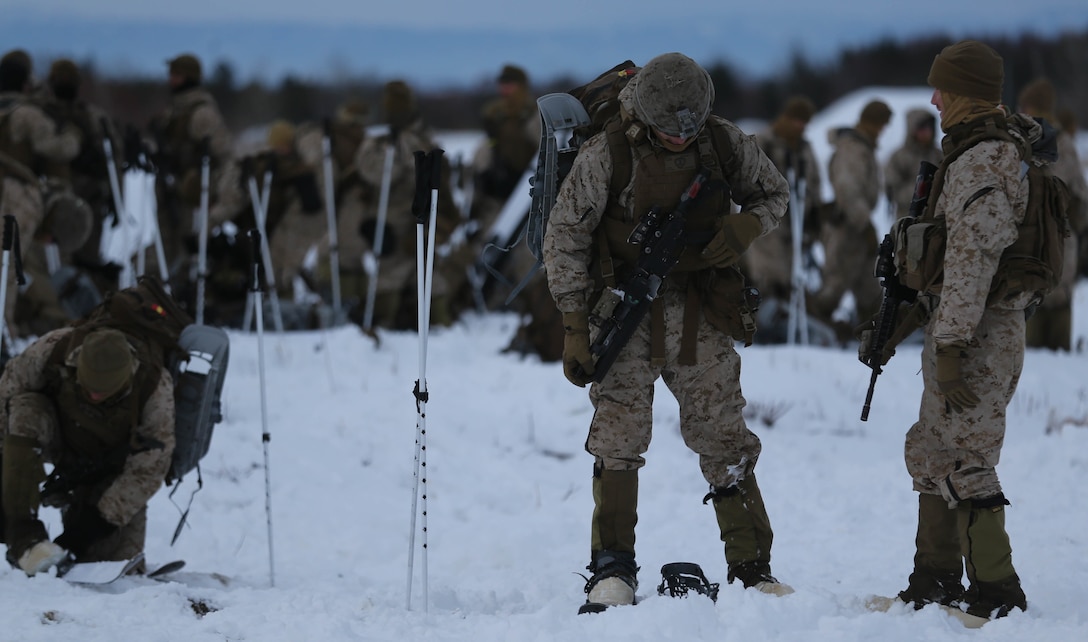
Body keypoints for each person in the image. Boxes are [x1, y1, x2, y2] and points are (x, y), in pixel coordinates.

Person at [542, 52, 791, 608]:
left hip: (702, 311)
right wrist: (575, 325)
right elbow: (564, 239)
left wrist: (747, 224)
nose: (680, 138)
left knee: (724, 435)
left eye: (690, 128)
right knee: (618, 440)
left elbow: (774, 193)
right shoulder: (608, 152)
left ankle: (752, 567)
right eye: (667, 130)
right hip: (623, 313)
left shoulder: (724, 142)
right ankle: (612, 570)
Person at [892, 39, 1036, 621]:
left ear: (967, 95)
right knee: (932, 449)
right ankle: (934, 581)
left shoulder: (983, 161)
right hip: (959, 323)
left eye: (943, 90)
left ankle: (998, 594)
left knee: (968, 456)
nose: (933, 99)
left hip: (978, 332)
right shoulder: (979, 150)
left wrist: (949, 344)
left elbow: (972, 260)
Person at [0, 324, 175, 576]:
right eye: (88, 386)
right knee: (25, 407)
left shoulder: (155, 387)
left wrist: (87, 530)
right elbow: (6, 392)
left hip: (112, 469)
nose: (93, 395)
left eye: (102, 391)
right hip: (58, 434)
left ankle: (74, 537)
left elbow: (148, 470)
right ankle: (25, 538)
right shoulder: (55, 349)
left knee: (109, 567)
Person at [353, 80, 461, 329]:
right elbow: (373, 174)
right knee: (402, 275)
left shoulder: (414, 141)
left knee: (423, 274)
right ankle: (400, 322)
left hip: (418, 220)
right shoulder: (388, 143)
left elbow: (440, 187)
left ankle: (433, 324)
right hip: (395, 223)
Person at [0, 50, 86, 336]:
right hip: (15, 195)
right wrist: (74, 135)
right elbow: (57, 147)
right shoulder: (25, 113)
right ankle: (4, 328)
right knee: (9, 265)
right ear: (24, 84)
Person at [147, 53, 236, 291]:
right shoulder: (174, 111)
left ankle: (184, 294)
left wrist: (214, 190)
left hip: (191, 193)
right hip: (170, 188)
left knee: (186, 249)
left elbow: (224, 154)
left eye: (176, 75)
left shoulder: (201, 113)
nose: (171, 80)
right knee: (166, 245)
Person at [810, 99, 892, 336]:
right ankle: (813, 328)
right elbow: (848, 190)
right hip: (847, 228)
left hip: (856, 225)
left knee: (869, 287)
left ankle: (873, 331)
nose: (882, 131)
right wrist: (865, 225)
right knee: (835, 286)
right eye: (881, 125)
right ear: (872, 123)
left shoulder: (862, 146)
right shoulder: (853, 149)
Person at [744, 96, 822, 341]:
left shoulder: (804, 148)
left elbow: (814, 181)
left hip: (794, 225)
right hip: (765, 221)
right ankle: (759, 325)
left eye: (804, 123)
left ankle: (786, 322)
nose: (800, 127)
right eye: (797, 121)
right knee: (767, 274)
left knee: (790, 275)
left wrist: (814, 212)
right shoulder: (765, 141)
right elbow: (747, 177)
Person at [1018, 78, 1088, 351]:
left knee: (1035, 304)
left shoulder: (1029, 143)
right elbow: (1081, 195)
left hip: (1037, 240)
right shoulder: (1065, 144)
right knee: (1057, 296)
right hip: (1060, 240)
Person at [884, 108, 942, 219]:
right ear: (912, 130)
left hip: (935, 219)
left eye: (929, 128)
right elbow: (892, 190)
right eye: (922, 129)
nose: (926, 132)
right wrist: (923, 191)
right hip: (907, 219)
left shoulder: (939, 155)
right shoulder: (899, 157)